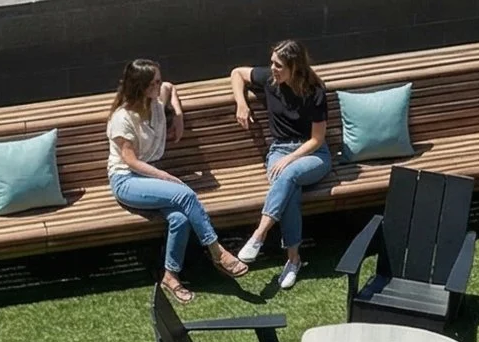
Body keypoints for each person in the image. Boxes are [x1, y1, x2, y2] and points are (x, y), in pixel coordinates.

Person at [107, 58, 248, 306]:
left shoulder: (156, 100)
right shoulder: (122, 118)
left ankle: (170, 277)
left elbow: (171, 87)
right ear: (141, 86)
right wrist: (168, 178)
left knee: (179, 218)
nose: (159, 84)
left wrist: (179, 116)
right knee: (185, 194)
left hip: (150, 178)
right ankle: (218, 252)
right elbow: (129, 161)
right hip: (127, 181)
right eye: (154, 82)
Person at [230, 39, 333, 291]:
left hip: (313, 154)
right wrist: (241, 103)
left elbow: (317, 139)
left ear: (294, 68)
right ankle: (294, 260)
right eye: (272, 63)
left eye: (279, 65)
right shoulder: (269, 80)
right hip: (279, 150)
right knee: (290, 191)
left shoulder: (315, 93)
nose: (273, 68)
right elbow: (237, 73)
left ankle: (260, 234)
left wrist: (291, 157)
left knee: (288, 174)